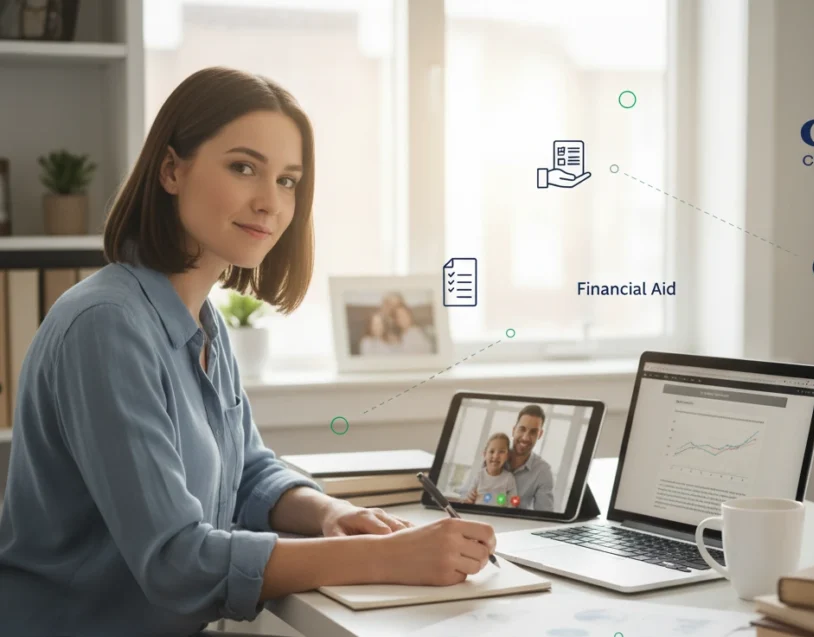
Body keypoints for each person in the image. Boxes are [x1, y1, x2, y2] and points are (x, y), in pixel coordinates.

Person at [0, 67, 495, 637]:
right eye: (243, 168)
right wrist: (393, 556)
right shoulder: (106, 326)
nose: (270, 202)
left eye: (288, 180)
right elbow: (176, 561)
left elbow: (246, 471)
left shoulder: (201, 320)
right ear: (170, 170)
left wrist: (330, 514)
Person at [465, 405, 555, 511]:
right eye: (522, 429)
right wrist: (469, 498)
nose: (525, 437)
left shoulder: (543, 471)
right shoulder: (492, 458)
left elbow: (544, 516)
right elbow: (467, 494)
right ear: (513, 430)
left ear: (539, 434)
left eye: (533, 432)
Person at [459, 433, 518, 507]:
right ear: (485, 454)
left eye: (501, 452)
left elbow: (513, 503)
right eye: (492, 451)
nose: (496, 456)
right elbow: (468, 497)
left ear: (507, 456)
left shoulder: (509, 478)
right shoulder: (479, 476)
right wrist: (470, 497)